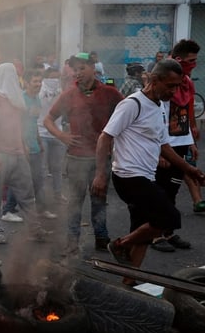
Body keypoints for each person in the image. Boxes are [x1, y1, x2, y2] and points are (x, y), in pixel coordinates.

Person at [91, 59, 205, 285]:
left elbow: (164, 146)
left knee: (143, 232)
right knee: (169, 217)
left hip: (146, 176)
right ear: (154, 80)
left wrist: (190, 170)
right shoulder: (133, 104)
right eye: (170, 86)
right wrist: (100, 174)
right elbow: (105, 136)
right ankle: (120, 244)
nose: (174, 92)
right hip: (128, 176)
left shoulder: (160, 107)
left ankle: (128, 282)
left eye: (177, 86)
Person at [43, 52, 123, 257]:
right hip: (75, 158)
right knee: (74, 203)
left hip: (100, 159)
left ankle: (101, 237)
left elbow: (126, 116)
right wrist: (62, 136)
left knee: (99, 200)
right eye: (75, 69)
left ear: (93, 68)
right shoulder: (68, 95)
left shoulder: (110, 93)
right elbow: (48, 120)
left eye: (82, 68)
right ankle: (72, 241)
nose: (78, 73)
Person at [0, 63, 50, 245]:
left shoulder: (15, 99)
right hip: (1, 155)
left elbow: (19, 126)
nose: (15, 77)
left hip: (19, 153)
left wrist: (24, 146)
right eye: (11, 74)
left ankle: (34, 229)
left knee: (27, 193)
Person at [149, 39, 201, 252]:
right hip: (165, 145)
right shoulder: (166, 80)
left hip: (180, 141)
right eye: (191, 61)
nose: (194, 64)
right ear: (179, 59)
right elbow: (157, 116)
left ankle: (168, 232)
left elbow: (186, 112)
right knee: (159, 191)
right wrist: (160, 150)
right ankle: (154, 235)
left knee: (172, 189)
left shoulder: (186, 82)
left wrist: (191, 141)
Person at [22, 69, 57, 219]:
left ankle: (41, 210)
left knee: (38, 179)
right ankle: (10, 210)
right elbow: (17, 124)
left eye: (39, 81)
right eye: (35, 81)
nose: (38, 84)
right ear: (27, 83)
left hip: (34, 145)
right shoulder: (21, 99)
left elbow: (33, 122)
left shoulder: (36, 99)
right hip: (23, 146)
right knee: (22, 180)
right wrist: (23, 144)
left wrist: (38, 141)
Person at [37, 67, 67, 204]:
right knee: (42, 168)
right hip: (42, 133)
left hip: (57, 133)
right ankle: (42, 196)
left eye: (57, 77)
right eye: (52, 78)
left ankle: (58, 193)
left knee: (57, 167)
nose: (55, 80)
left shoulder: (61, 92)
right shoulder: (40, 91)